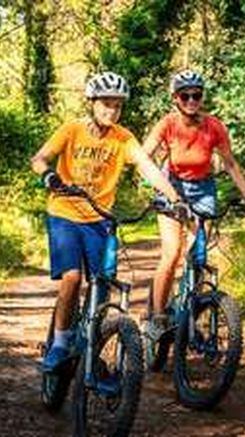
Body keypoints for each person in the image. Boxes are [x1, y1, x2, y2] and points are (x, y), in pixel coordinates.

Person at [30, 72, 183, 371]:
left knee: (102, 285)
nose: (111, 111)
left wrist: (174, 198)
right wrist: (48, 175)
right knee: (72, 277)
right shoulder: (72, 129)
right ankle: (60, 343)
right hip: (64, 213)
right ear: (92, 103)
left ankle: (89, 349)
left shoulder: (123, 138)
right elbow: (40, 158)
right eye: (106, 104)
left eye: (117, 106)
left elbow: (147, 167)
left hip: (99, 220)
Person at [142, 70, 245, 342]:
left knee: (198, 257)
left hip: (203, 189)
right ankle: (157, 317)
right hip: (173, 187)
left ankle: (187, 315)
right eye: (186, 95)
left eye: (197, 95)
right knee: (172, 253)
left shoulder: (214, 126)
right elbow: (144, 156)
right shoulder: (168, 124)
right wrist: (158, 182)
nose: (192, 100)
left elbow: (230, 163)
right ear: (176, 98)